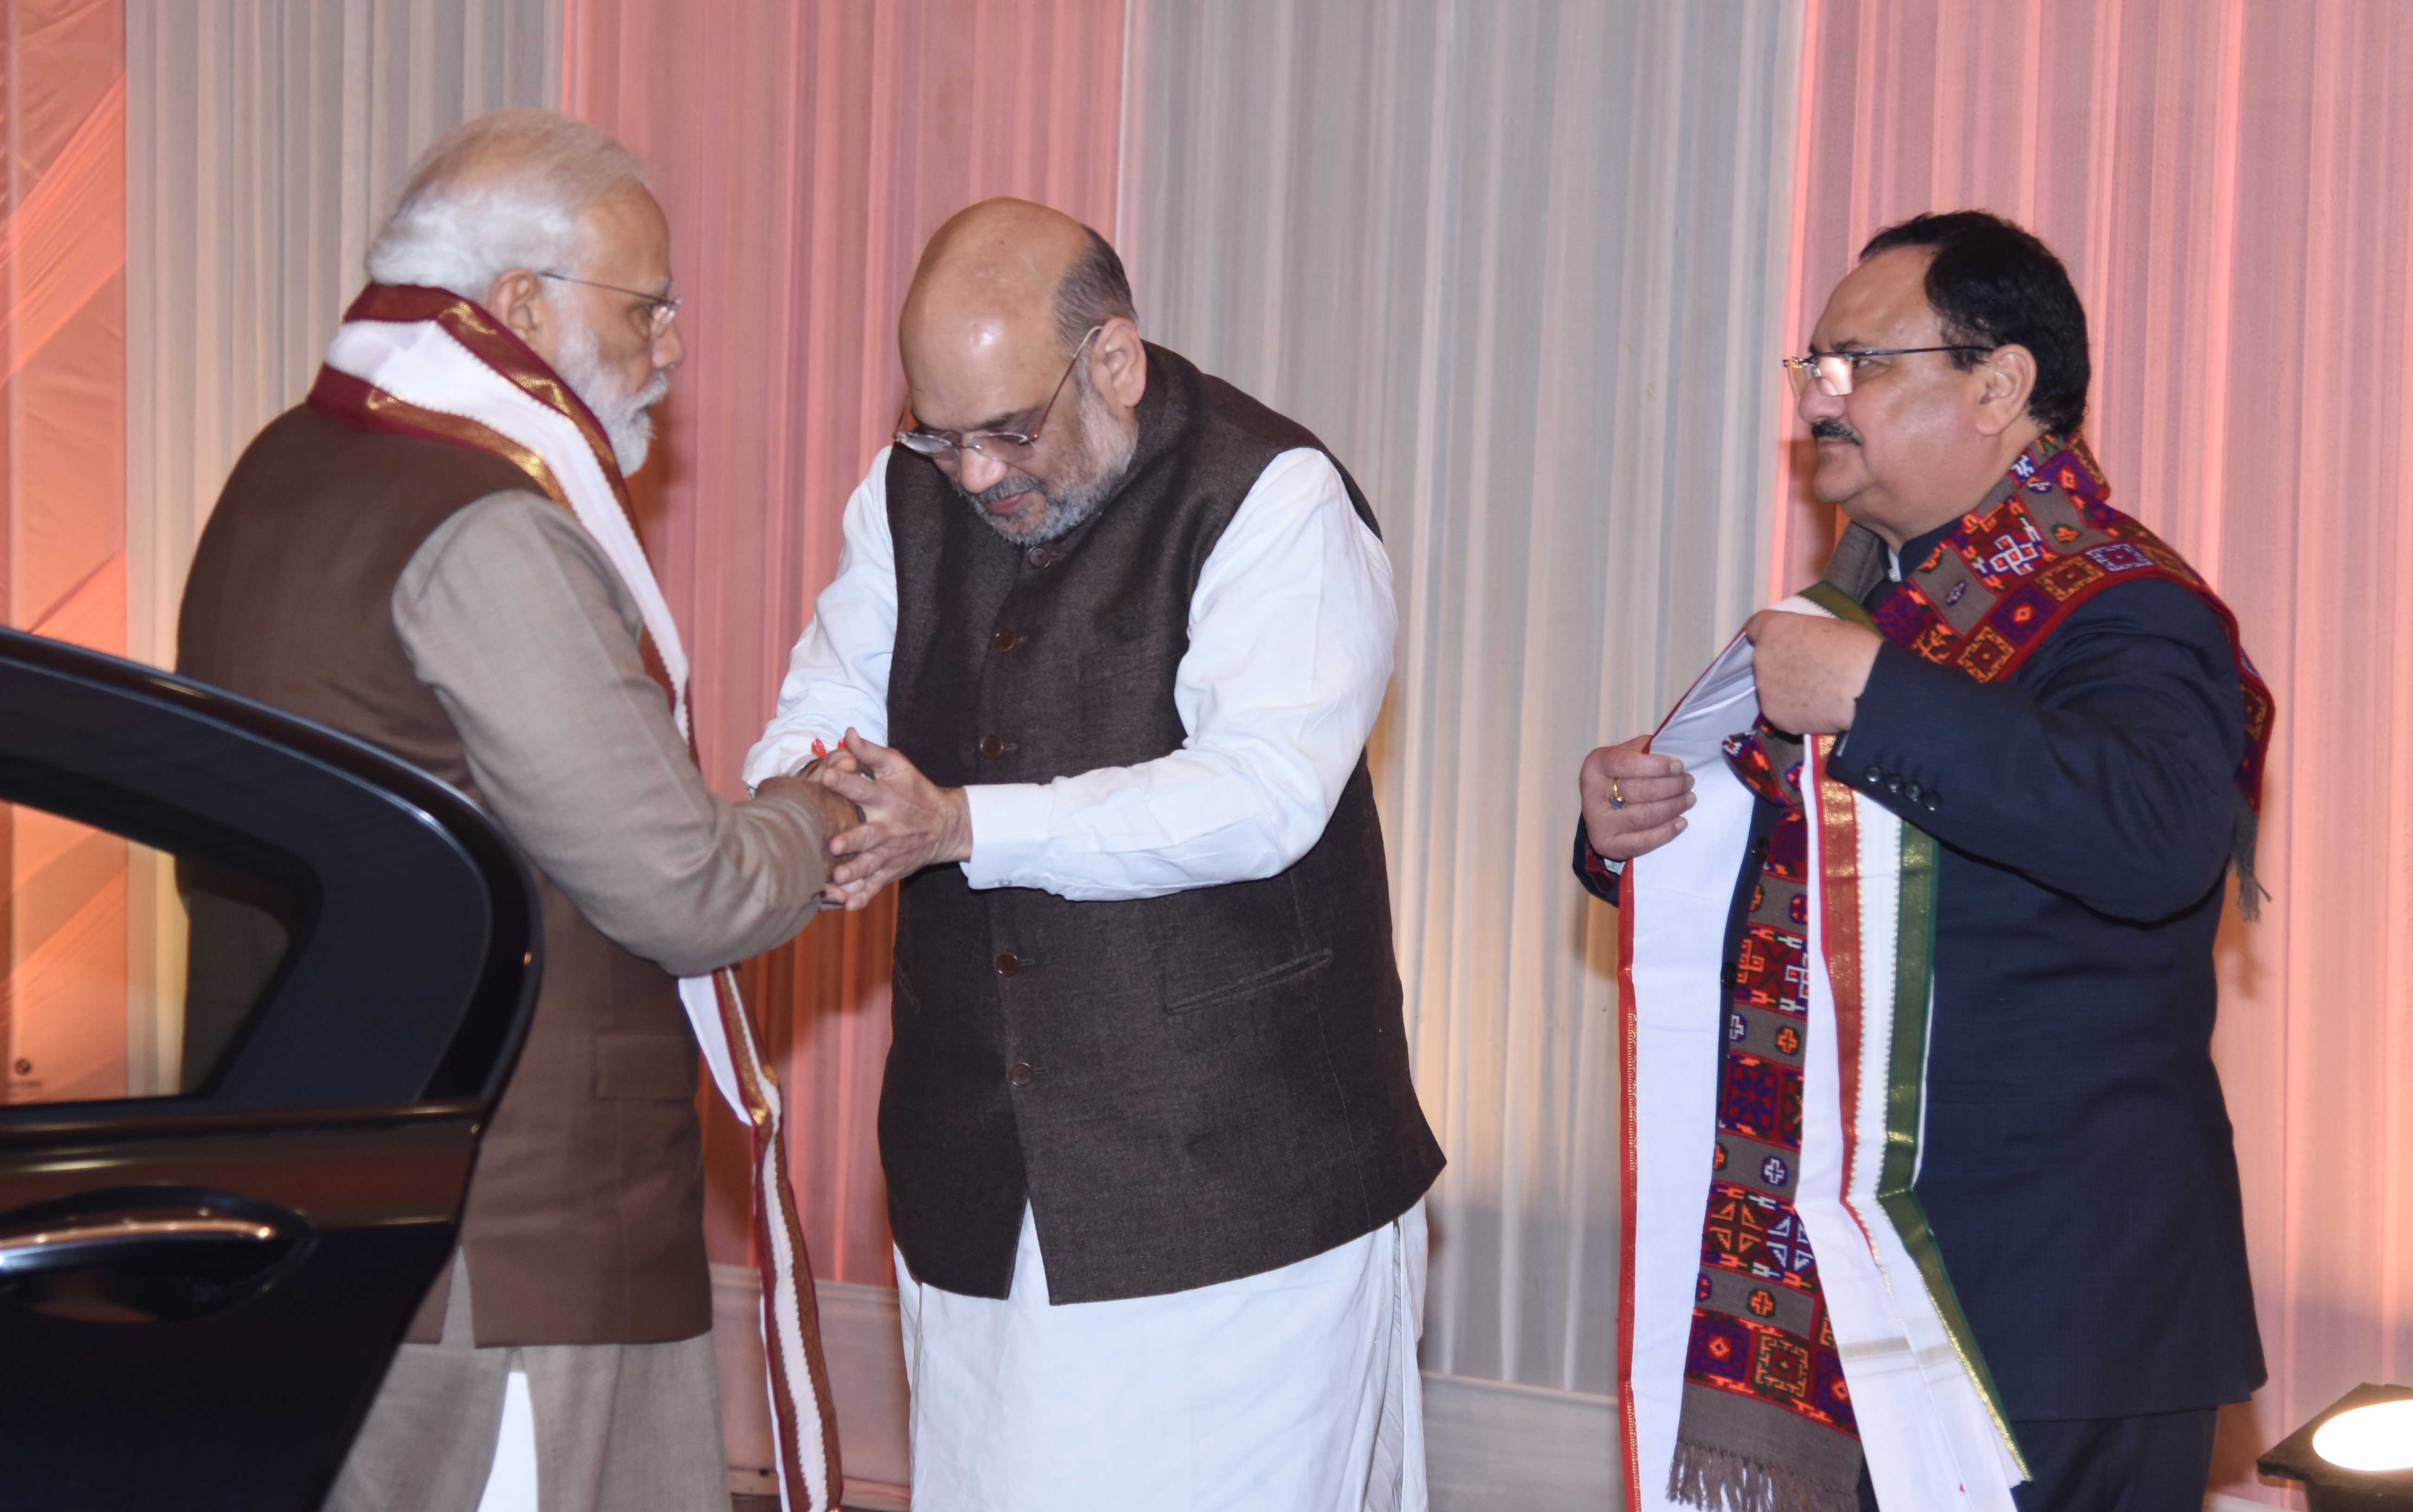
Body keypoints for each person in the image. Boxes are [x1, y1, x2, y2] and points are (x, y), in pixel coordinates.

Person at [176, 110, 846, 1512]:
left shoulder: (275, 474)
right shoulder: (487, 528)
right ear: (524, 305)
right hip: (514, 1245)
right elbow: (684, 889)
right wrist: (822, 809)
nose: (672, 345)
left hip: (324, 1211)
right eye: (649, 303)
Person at [743, 198, 1445, 1512]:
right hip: (977, 1166)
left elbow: (1261, 797)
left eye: (1010, 429)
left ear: (1113, 360)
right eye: (938, 435)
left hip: (1238, 1190)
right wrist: (823, 796)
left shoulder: (1272, 497)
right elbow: (816, 712)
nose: (976, 475)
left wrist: (962, 825)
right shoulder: (907, 497)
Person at [1577, 211, 2269, 1511]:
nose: (1822, 401)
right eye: (1814, 370)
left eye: (1863, 366)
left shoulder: (2129, 604)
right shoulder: (1864, 611)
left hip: (2059, 1305)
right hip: (1851, 1282)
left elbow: (2160, 840)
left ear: (2001, 385)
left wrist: (1879, 697)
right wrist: (1628, 824)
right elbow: (1792, 882)